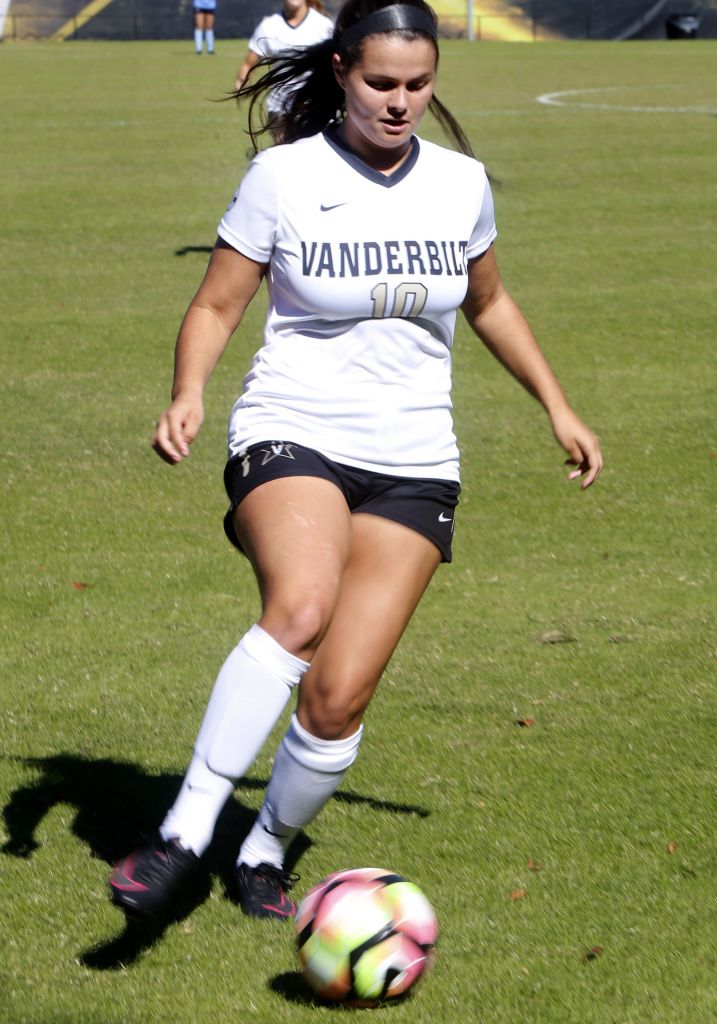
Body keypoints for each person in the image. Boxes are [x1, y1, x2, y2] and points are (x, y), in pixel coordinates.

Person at [109, 0, 603, 923]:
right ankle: (182, 835)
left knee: (338, 697)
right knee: (301, 607)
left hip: (415, 457)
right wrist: (188, 392)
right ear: (340, 70)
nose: (400, 101)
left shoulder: (460, 183)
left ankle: (264, 852)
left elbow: (490, 303)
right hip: (293, 427)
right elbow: (216, 304)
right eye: (381, 82)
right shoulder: (283, 177)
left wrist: (557, 405)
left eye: (419, 84)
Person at [233, 0, 334, 141]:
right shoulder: (268, 26)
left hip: (314, 108)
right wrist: (241, 81)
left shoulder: (323, 25)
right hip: (280, 110)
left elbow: (337, 63)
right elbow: (248, 64)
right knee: (286, 152)